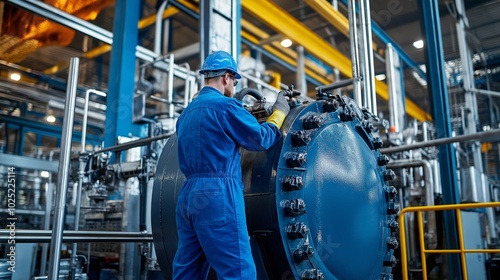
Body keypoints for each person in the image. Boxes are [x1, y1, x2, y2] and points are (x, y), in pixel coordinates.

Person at [173, 50, 291, 279]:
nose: (234, 87)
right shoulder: (226, 108)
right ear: (226, 77)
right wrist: (279, 114)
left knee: (188, 271)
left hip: (188, 197)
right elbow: (260, 138)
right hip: (218, 195)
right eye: (234, 81)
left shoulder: (186, 114)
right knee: (238, 272)